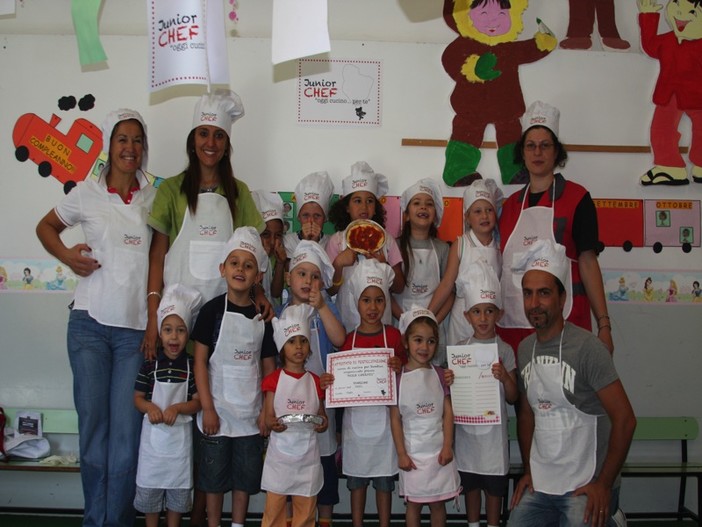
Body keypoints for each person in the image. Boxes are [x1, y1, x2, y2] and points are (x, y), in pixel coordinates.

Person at [36, 108, 156, 527]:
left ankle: (116, 521)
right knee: (93, 434)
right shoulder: (85, 193)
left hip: (134, 333)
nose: (130, 147)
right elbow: (46, 227)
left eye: (137, 140)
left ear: (144, 148)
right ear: (109, 146)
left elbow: (158, 260)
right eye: (122, 139)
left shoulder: (153, 198)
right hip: (88, 325)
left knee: (125, 439)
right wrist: (67, 256)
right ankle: (94, 521)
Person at [507, 240, 636, 527]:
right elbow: (527, 415)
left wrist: (604, 484)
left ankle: (614, 518)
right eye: (527, 294)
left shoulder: (588, 349)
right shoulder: (526, 349)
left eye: (544, 293)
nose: (533, 304)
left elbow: (625, 420)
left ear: (562, 298)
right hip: (543, 482)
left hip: (586, 482)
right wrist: (529, 471)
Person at [146, 89, 266, 358]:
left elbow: (253, 254)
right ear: (192, 140)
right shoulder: (170, 190)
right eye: (203, 133)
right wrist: (153, 316)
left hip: (226, 312)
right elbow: (157, 257)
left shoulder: (239, 192)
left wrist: (258, 292)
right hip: (176, 319)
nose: (210, 142)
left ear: (226, 146)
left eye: (219, 135)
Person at [498, 101, 613, 354]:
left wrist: (604, 324)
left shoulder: (577, 199)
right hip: (513, 331)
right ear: (523, 153)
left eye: (545, 145)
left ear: (556, 153)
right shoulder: (509, 208)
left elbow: (588, 261)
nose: (537, 152)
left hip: (567, 326)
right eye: (531, 146)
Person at [191, 227, 278, 527]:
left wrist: (267, 409)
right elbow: (200, 362)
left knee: (244, 478)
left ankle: (238, 524)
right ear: (222, 269)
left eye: (248, 264)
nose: (240, 269)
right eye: (234, 263)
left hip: (250, 417)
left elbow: (268, 368)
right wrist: (208, 408)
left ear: (258, 277)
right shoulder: (211, 312)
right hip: (217, 413)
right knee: (213, 480)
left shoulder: (262, 317)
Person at [322, 259, 404, 527]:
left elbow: (409, 374)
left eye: (379, 300)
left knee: (384, 484)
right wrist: (330, 381)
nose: (372, 307)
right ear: (357, 303)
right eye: (366, 300)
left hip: (385, 428)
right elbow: (339, 385)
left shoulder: (394, 337)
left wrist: (399, 366)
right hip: (355, 428)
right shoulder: (347, 341)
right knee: (356, 483)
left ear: (386, 303)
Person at [278, 241, 346, 527]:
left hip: (323, 396)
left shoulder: (326, 308)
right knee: (296, 461)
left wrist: (323, 306)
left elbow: (340, 340)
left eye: (314, 276)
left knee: (324, 460)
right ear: (288, 278)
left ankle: (326, 518)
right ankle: (295, 518)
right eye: (301, 274)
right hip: (292, 398)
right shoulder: (281, 313)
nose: (308, 281)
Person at [452, 260, 517, 527]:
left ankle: (491, 524)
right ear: (467, 316)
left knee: (493, 486)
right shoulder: (459, 349)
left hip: (494, 437)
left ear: (499, 314)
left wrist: (504, 377)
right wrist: (450, 380)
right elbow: (452, 394)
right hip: (467, 435)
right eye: (477, 312)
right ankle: (472, 524)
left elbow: (514, 397)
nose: (483, 318)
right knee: (471, 485)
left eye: (489, 311)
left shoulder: (505, 351)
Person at [133, 285, 203, 527]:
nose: (174, 337)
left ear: (188, 334)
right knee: (151, 492)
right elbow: (138, 397)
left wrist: (178, 409)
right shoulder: (149, 365)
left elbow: (198, 402)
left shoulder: (192, 366)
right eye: (168, 330)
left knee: (177, 493)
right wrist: (150, 407)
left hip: (179, 445)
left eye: (181, 331)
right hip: (152, 444)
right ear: (160, 334)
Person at [390, 307, 461, 527]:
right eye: (418, 340)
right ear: (406, 342)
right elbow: (395, 419)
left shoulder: (441, 375)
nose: (424, 347)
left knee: (438, 504)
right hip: (412, 454)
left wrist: (447, 446)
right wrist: (401, 453)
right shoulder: (398, 378)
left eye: (431, 341)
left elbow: (448, 413)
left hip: (438, 452)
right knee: (414, 505)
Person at [261, 303, 329, 527]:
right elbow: (269, 416)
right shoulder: (274, 380)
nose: (298, 347)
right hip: (280, 457)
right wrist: (272, 423)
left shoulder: (315, 381)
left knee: (306, 508)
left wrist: (322, 423)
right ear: (282, 347)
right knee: (274, 508)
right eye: (292, 341)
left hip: (307, 457)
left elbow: (320, 414)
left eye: (303, 341)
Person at [326, 161, 406, 331]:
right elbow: (330, 290)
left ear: (376, 207)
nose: (364, 207)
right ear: (346, 207)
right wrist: (339, 264)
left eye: (369, 201)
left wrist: (385, 266)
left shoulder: (387, 241)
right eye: (357, 201)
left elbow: (399, 287)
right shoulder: (336, 241)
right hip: (346, 324)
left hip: (381, 326)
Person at [428, 178, 503, 348]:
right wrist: (427, 316)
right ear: (467, 217)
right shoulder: (461, 244)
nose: (484, 216)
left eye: (489, 210)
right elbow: (447, 283)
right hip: (462, 319)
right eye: (477, 211)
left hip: (489, 319)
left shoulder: (500, 246)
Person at [394, 178, 451, 366]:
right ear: (407, 214)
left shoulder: (443, 249)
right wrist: (406, 322)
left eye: (429, 204)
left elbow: (449, 292)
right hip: (401, 326)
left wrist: (430, 321)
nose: (423, 208)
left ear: (435, 214)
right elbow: (386, 293)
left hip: (434, 330)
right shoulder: (394, 246)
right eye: (417, 203)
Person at [283, 171, 336, 253]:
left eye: (317, 216)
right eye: (305, 215)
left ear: (325, 218)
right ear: (298, 217)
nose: (311, 221)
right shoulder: (288, 241)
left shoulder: (332, 243)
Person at [251, 190, 287, 304]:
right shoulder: (248, 256)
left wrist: (281, 263)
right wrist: (262, 260)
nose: (272, 241)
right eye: (265, 234)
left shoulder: (278, 256)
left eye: (278, 235)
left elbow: (275, 293)